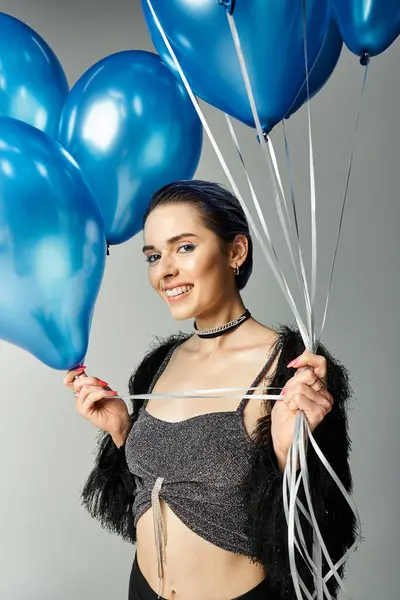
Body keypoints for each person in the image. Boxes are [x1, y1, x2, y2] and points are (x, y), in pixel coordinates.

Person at [63, 180, 357, 600]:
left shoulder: (293, 369)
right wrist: (122, 432)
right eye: (153, 255)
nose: (164, 270)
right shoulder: (157, 365)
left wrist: (287, 454)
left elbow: (323, 536)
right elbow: (138, 501)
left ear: (235, 251)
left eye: (183, 247)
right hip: (143, 590)